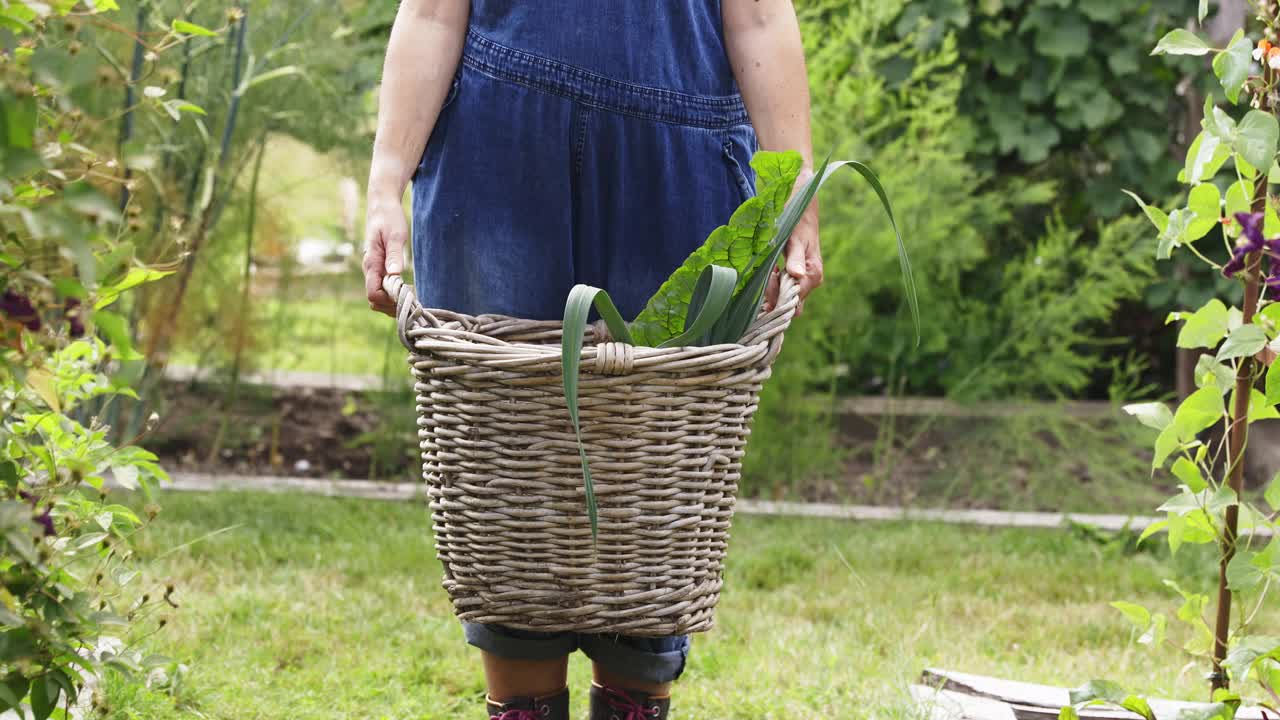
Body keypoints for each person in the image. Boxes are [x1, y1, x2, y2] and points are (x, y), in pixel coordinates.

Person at [363, 2, 819, 718]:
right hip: (499, 155)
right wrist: (386, 180)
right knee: (513, 487)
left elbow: (759, 16)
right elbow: (430, 12)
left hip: (682, 163)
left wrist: (796, 193)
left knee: (653, 489)